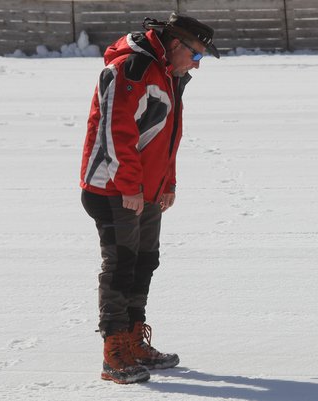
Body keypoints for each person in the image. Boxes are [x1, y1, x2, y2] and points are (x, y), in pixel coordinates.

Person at [79, 13, 220, 384]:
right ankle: (114, 352)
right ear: (176, 45)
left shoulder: (169, 74)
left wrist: (166, 183)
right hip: (113, 189)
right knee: (121, 267)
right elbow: (116, 130)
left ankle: (133, 340)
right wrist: (128, 186)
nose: (197, 65)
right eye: (198, 56)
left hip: (146, 191)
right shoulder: (133, 68)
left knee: (145, 263)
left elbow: (165, 137)